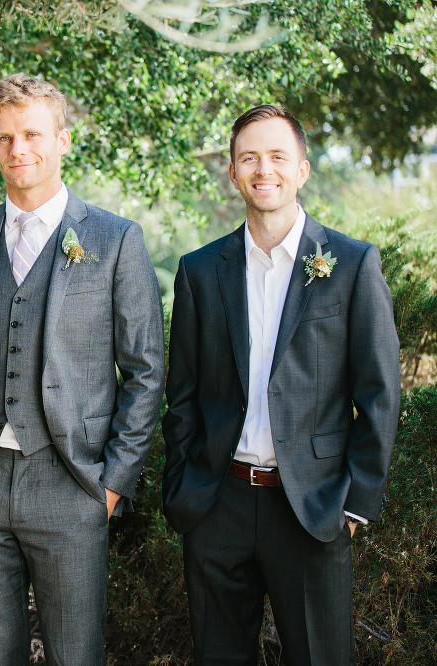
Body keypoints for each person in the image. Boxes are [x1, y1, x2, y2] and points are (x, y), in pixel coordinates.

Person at [0, 74, 166, 665]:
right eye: (4, 138)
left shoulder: (115, 238)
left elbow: (146, 371)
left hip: (71, 483)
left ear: (63, 140)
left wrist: (109, 484)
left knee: (75, 655)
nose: (17, 149)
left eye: (32, 134)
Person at [162, 104, 401, 664]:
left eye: (277, 156)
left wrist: (355, 502)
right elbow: (184, 396)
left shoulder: (352, 264)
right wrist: (184, 491)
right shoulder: (200, 270)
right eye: (249, 157)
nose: (262, 169)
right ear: (233, 171)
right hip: (218, 502)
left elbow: (380, 392)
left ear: (302, 170)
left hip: (311, 508)